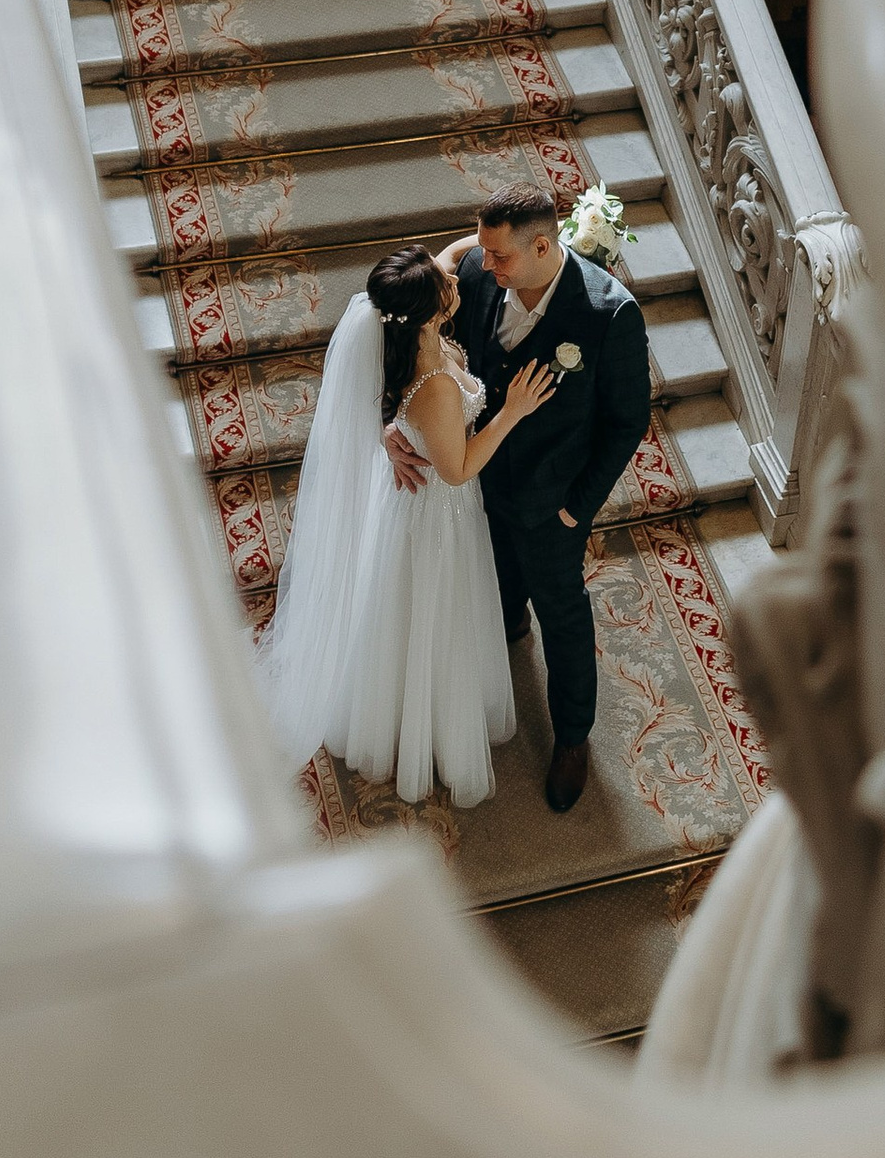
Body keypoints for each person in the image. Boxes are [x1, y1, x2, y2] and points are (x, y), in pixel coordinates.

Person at [255, 242, 556, 811]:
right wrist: (513, 410)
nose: (457, 280)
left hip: (409, 495)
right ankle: (421, 726)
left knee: (399, 608)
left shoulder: (406, 325)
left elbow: (455, 249)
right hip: (434, 514)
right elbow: (458, 469)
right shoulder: (433, 386)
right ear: (429, 312)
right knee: (429, 614)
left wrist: (504, 240)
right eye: (447, 285)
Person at [392, 185, 654, 814]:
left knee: (562, 618)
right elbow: (408, 343)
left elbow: (626, 424)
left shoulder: (608, 315)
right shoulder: (481, 274)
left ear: (543, 245)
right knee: (498, 580)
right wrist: (393, 427)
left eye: (499, 255)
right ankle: (508, 622)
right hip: (475, 485)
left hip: (551, 504)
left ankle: (571, 738)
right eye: (482, 250)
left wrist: (577, 509)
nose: (485, 264)